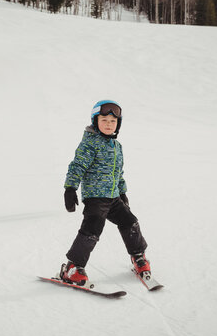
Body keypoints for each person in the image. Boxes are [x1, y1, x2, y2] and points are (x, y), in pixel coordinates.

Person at [60, 100, 150, 286]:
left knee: (130, 222)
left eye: (113, 121)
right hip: (95, 198)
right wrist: (70, 188)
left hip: (113, 197)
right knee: (92, 230)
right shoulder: (90, 144)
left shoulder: (117, 147)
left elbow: (118, 173)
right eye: (104, 120)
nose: (109, 124)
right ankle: (72, 267)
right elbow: (77, 166)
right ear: (95, 121)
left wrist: (122, 192)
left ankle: (138, 257)